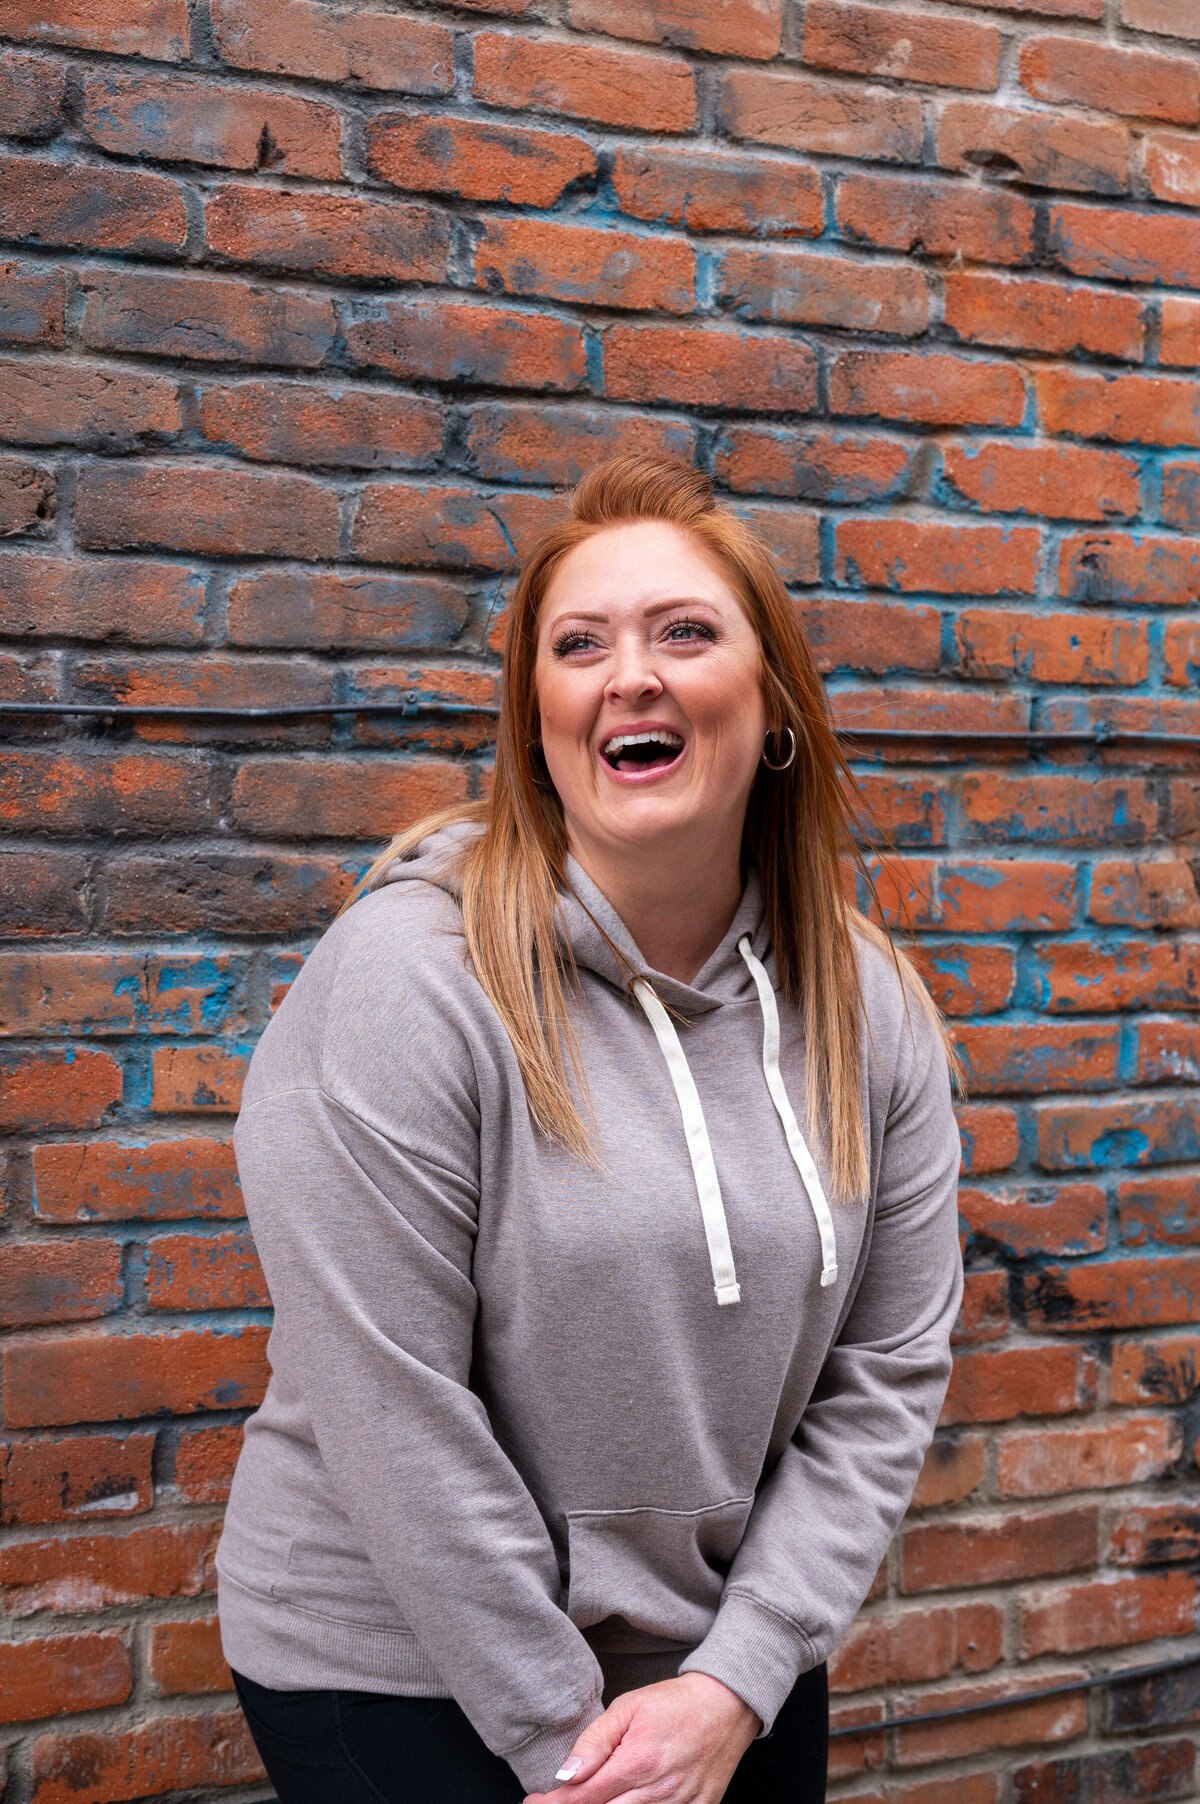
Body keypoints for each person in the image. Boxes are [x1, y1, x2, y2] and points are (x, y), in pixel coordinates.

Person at [216, 454, 964, 1804]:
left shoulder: (868, 1006)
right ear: (540, 718)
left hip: (714, 1667)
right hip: (407, 1668)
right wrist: (571, 1744)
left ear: (774, 697)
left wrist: (736, 1685)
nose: (632, 674)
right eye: (580, 646)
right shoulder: (408, 982)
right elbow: (392, 1407)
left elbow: (887, 1376)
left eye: (685, 631)